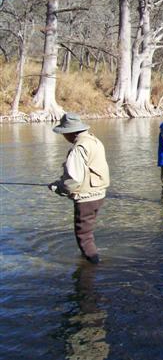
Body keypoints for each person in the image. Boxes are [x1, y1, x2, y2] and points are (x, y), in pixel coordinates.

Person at [49, 113, 110, 264]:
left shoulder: (79, 147)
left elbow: (73, 179)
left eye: (64, 133)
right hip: (99, 194)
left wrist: (58, 188)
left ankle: (92, 267)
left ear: (70, 132)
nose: (64, 137)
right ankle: (89, 259)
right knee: (88, 232)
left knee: (84, 235)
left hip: (86, 198)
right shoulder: (94, 140)